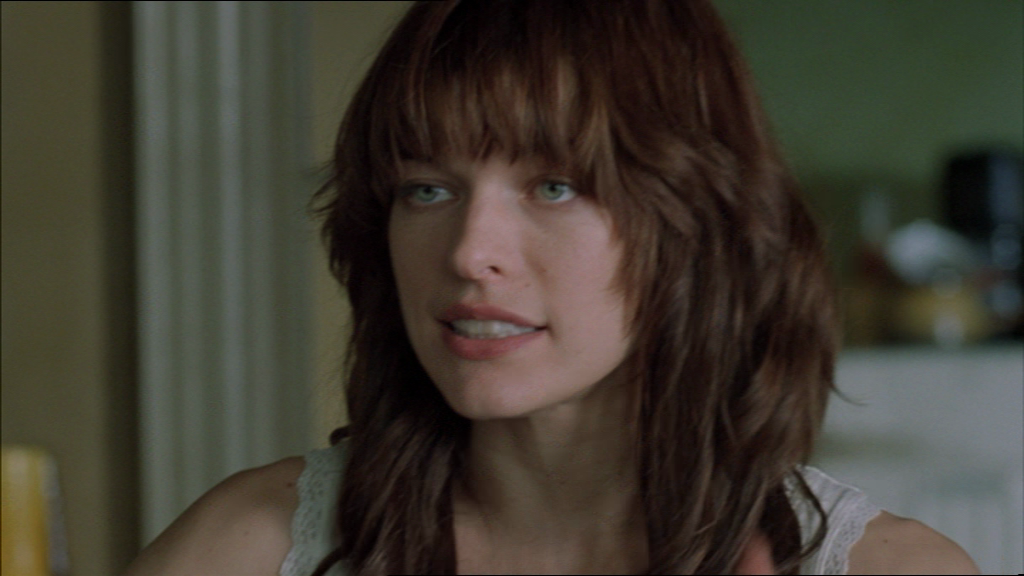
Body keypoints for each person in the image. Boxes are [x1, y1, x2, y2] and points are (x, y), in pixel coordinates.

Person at [125, 1, 981, 574]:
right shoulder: (249, 546)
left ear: (695, 223)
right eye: (427, 189)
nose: (470, 253)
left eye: (555, 186)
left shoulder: (893, 569)